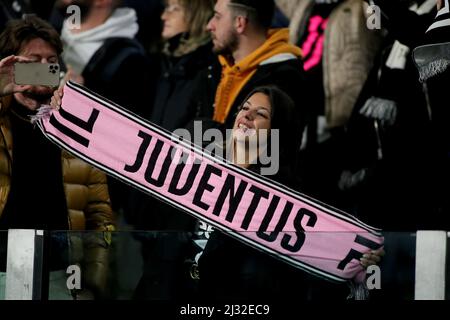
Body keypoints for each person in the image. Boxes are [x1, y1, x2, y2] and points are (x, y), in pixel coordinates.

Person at [193, 86, 384, 300]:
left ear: (278, 132)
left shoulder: (286, 196)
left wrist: (363, 254)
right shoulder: (201, 171)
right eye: (245, 108)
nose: (247, 115)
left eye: (261, 114)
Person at [0, 15, 115, 300]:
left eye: (50, 60)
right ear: (11, 65)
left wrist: (93, 284)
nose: (42, 69)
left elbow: (100, 214)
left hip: (60, 278)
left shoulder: (77, 129)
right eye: (31, 61)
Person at [124, 0, 216, 300]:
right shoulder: (167, 64)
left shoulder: (208, 69)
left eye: (173, 8)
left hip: (176, 213)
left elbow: (199, 142)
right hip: (150, 207)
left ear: (196, 13)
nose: (164, 15)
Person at [59, 0, 155, 212]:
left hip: (88, 202)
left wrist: (83, 102)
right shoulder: (47, 32)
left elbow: (128, 145)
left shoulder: (131, 60)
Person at [188, 0, 307, 138]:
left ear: (240, 23)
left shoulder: (285, 80)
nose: (209, 26)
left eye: (218, 16)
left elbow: (265, 147)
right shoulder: (213, 68)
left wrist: (198, 132)